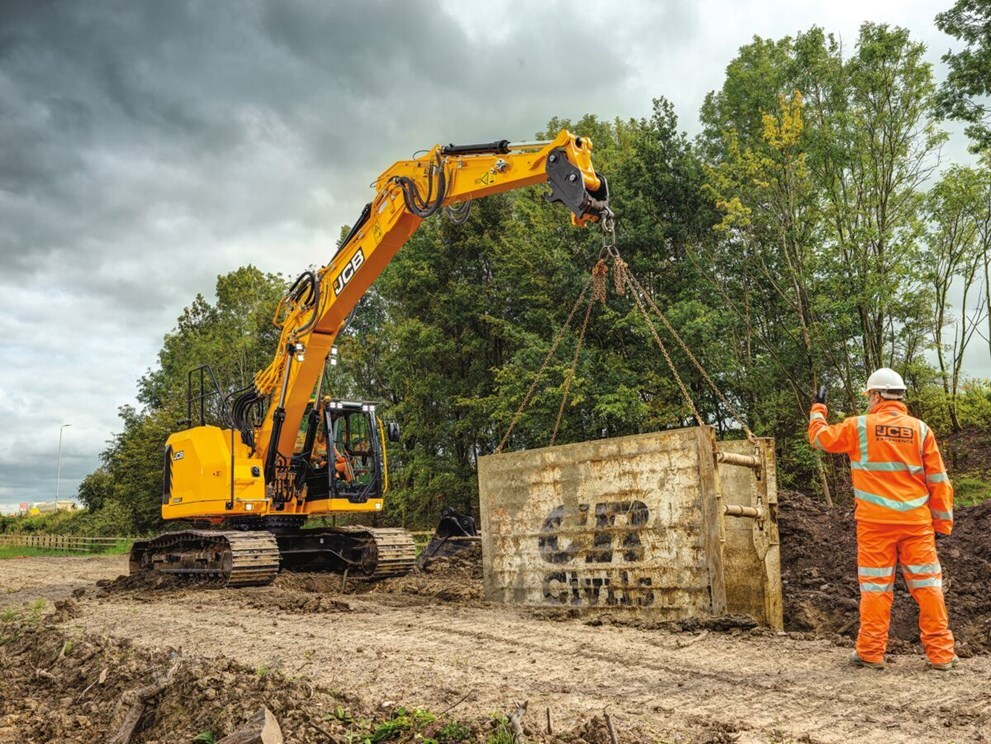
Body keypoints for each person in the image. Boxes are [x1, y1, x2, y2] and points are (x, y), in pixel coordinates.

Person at [808, 368, 957, 671]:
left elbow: (820, 439)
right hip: (917, 524)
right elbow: (939, 481)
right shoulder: (920, 430)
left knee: (876, 590)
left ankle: (871, 652)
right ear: (900, 395)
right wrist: (942, 523)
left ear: (875, 395)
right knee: (928, 587)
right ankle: (941, 655)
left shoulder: (859, 427)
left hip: (875, 525)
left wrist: (818, 409)